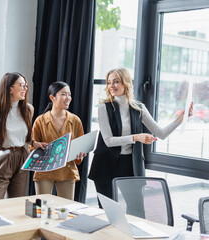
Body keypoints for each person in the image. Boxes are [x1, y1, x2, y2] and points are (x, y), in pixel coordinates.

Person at [88, 68, 193, 204]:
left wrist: (179, 120)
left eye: (116, 81)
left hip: (129, 163)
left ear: (126, 83)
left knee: (136, 208)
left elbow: (161, 134)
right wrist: (136, 137)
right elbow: (109, 141)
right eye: (109, 82)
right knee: (107, 209)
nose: (111, 86)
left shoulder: (139, 107)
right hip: (105, 163)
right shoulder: (104, 107)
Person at [0, 72, 43, 200]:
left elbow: (26, 135)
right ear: (10, 88)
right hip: (1, 158)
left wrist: (33, 143)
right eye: (21, 85)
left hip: (21, 156)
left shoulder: (28, 109)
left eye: (26, 86)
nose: (25, 89)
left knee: (17, 203)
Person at [29, 82, 86, 200]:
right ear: (52, 97)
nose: (68, 98)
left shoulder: (75, 121)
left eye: (69, 94)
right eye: (64, 94)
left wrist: (80, 153)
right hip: (44, 171)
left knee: (66, 210)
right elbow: (31, 148)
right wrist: (38, 147)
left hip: (67, 171)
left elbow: (80, 147)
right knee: (42, 209)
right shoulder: (40, 120)